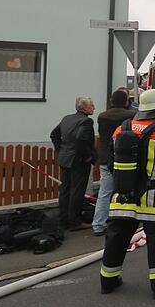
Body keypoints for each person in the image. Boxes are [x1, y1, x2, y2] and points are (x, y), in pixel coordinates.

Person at [99, 89, 155, 299]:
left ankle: (108, 280)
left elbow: (112, 162)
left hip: (122, 193)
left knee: (117, 237)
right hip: (154, 195)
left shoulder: (121, 129)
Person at [50, 96, 96, 237]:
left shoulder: (67, 118)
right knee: (77, 191)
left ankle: (63, 219)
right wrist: (87, 156)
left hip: (65, 159)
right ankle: (75, 222)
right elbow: (81, 139)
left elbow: (54, 134)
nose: (94, 106)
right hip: (78, 161)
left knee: (65, 189)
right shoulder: (86, 121)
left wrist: (61, 149)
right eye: (91, 105)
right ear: (84, 108)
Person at [94, 90, 134, 235]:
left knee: (105, 192)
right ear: (126, 102)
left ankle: (98, 224)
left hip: (105, 158)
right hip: (124, 159)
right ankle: (125, 220)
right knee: (127, 190)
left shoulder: (102, 116)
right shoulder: (130, 116)